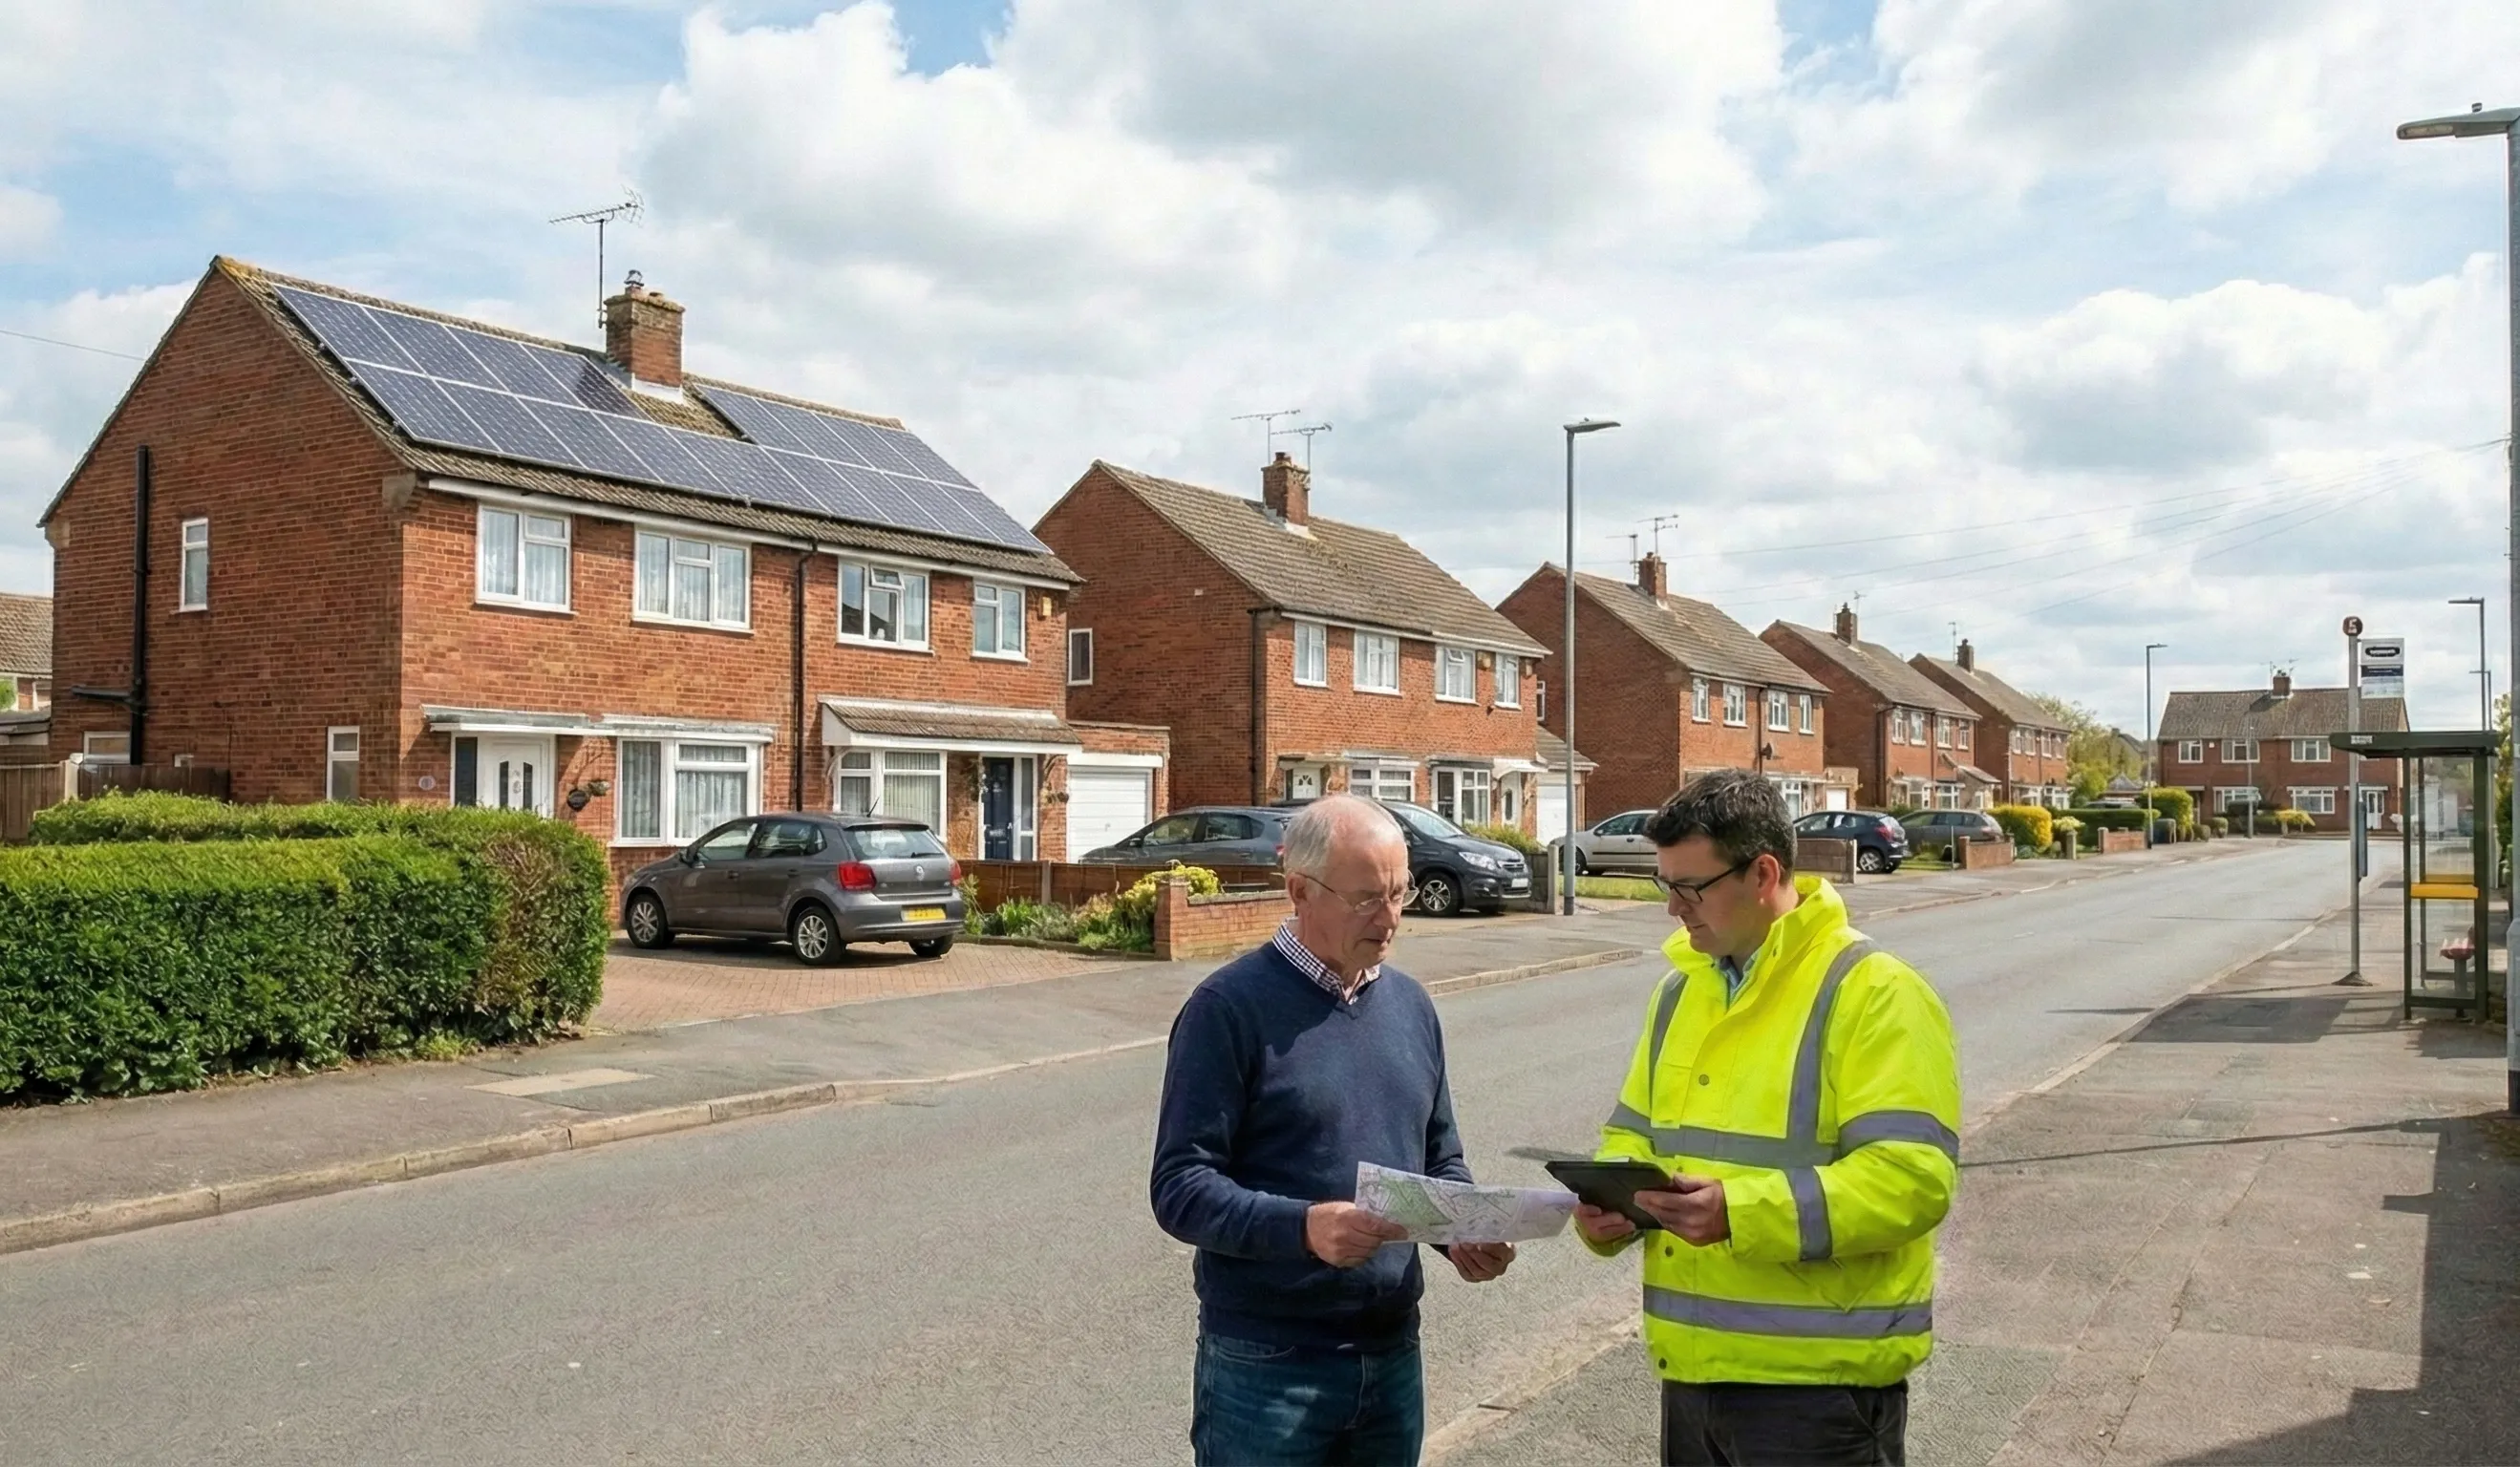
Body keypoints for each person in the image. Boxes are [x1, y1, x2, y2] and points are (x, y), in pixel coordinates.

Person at [1574, 770, 1959, 1467]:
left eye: (1690, 888)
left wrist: (1740, 1212)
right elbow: (1632, 1134)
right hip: (1690, 1378)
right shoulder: (1681, 991)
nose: (1674, 910)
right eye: (1666, 886)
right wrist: (1611, 1203)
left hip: (1818, 1394)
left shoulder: (1875, 992)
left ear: (1763, 873)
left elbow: (1912, 1181)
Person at [1150, 793, 1513, 1466]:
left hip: (1392, 1351)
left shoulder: (1411, 1005)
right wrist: (1304, 1228)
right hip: (1269, 1366)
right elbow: (1180, 1188)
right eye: (1367, 900)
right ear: (1299, 891)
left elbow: (1439, 1157)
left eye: (1399, 893)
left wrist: (1457, 1230)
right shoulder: (1226, 1010)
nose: (1391, 918)